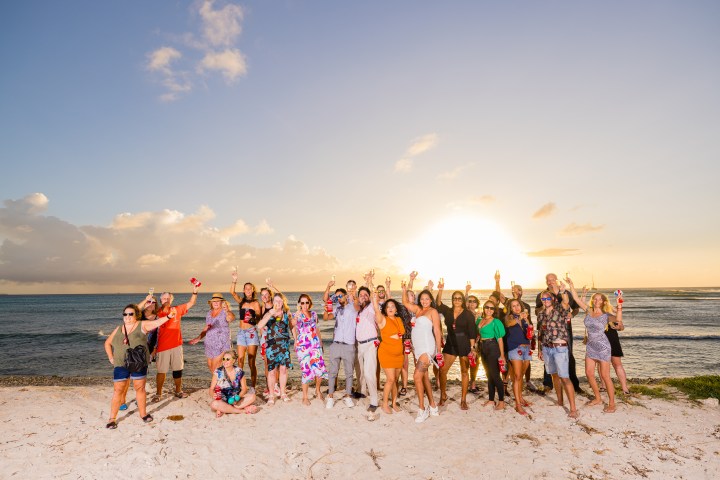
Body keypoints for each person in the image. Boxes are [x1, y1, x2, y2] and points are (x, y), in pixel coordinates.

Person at [104, 304, 177, 429]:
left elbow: (157, 323)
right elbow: (107, 343)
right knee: (118, 390)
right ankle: (112, 418)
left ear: (136, 315)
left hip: (138, 362)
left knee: (140, 388)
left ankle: (143, 414)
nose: (127, 316)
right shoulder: (118, 328)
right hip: (121, 364)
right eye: (125, 314)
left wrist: (169, 316)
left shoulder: (142, 325)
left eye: (131, 314)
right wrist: (111, 357)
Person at [567, 279, 618, 413]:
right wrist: (571, 285)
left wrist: (620, 307)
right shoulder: (588, 311)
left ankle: (612, 403)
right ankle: (598, 398)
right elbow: (577, 299)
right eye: (595, 299)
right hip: (590, 346)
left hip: (603, 346)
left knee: (605, 376)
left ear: (603, 302)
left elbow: (618, 320)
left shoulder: (606, 315)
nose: (596, 301)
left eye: (599, 299)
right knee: (589, 373)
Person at [401, 280, 442, 423]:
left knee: (417, 376)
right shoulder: (418, 311)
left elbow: (437, 330)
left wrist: (438, 351)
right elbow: (405, 302)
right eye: (422, 299)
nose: (424, 301)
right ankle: (433, 405)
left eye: (427, 299)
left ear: (431, 300)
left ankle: (422, 409)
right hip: (417, 348)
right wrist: (405, 288)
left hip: (427, 348)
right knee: (424, 377)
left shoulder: (433, 311)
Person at [151, 284, 199, 402]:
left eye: (168, 298)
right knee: (161, 371)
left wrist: (195, 291)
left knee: (177, 370)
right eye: (164, 298)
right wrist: (152, 347)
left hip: (177, 345)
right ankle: (158, 393)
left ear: (171, 300)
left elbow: (191, 303)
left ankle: (178, 391)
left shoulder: (177, 309)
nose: (166, 300)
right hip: (162, 347)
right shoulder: (157, 312)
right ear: (161, 300)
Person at [536, 273, 582, 394]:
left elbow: (575, 308)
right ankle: (548, 384)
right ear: (546, 282)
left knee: (569, 355)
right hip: (547, 330)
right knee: (547, 355)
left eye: (552, 280)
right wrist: (546, 307)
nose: (550, 282)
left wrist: (572, 314)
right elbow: (537, 311)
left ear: (556, 280)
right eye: (548, 280)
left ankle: (574, 384)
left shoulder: (565, 293)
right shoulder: (541, 295)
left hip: (565, 328)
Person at [537, 287, 579, 418]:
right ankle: (560, 401)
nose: (545, 300)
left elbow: (566, 302)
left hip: (560, 348)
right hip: (547, 347)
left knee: (564, 377)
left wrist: (563, 291)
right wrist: (539, 349)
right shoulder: (541, 314)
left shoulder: (559, 309)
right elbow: (540, 332)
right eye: (543, 299)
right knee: (554, 375)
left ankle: (573, 409)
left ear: (553, 299)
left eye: (547, 298)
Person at [435, 282, 477, 411]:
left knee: (464, 372)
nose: (457, 300)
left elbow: (472, 333)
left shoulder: (468, 314)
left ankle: (463, 400)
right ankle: (443, 395)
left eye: (459, 298)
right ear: (452, 300)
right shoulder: (448, 311)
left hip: (464, 344)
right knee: (442, 370)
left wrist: (472, 349)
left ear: (462, 300)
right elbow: (438, 303)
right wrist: (440, 289)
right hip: (451, 343)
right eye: (455, 298)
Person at [322, 279, 357, 409]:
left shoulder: (353, 307)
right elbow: (326, 318)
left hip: (349, 344)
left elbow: (357, 301)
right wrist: (326, 310)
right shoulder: (336, 308)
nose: (338, 298)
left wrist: (352, 291)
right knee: (332, 372)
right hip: (336, 344)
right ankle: (330, 397)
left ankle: (348, 396)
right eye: (336, 297)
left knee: (349, 373)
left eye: (340, 296)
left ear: (346, 296)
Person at [256, 292, 293, 405]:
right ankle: (271, 395)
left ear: (283, 302)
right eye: (276, 300)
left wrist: (296, 340)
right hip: (272, 346)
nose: (278, 303)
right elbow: (259, 326)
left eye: (280, 301)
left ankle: (282, 393)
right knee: (271, 372)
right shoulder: (269, 313)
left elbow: (292, 328)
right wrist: (270, 313)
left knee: (283, 370)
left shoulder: (286, 314)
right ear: (273, 302)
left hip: (284, 345)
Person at [292, 294, 327, 405]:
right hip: (303, 346)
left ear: (309, 303)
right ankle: (305, 397)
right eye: (302, 303)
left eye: (307, 302)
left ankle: (317, 390)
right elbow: (292, 325)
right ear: (299, 304)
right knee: (306, 370)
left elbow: (316, 329)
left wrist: (320, 343)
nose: (305, 305)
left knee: (319, 368)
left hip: (315, 344)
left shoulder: (313, 314)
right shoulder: (296, 315)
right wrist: (295, 340)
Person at [372, 293, 405, 414]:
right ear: (385, 310)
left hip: (399, 354)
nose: (390, 308)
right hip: (386, 353)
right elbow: (376, 310)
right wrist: (375, 300)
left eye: (393, 306)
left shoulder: (399, 319)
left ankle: (394, 402)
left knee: (395, 379)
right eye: (388, 306)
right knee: (390, 379)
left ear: (396, 309)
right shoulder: (383, 320)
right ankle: (385, 404)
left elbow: (401, 336)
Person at [230, 272, 262, 388]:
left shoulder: (256, 303)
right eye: (246, 288)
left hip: (251, 333)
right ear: (244, 290)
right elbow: (232, 292)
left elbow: (259, 318)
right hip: (241, 333)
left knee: (251, 361)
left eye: (250, 288)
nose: (248, 290)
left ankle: (253, 387)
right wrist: (234, 280)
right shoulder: (241, 301)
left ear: (253, 290)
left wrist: (253, 319)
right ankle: (238, 385)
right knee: (240, 361)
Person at [188, 293, 235, 374]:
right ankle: (222, 383)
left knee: (215, 368)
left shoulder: (225, 312)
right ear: (211, 303)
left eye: (218, 301)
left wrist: (227, 310)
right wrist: (198, 338)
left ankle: (219, 385)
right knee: (211, 367)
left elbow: (231, 318)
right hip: (209, 343)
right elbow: (207, 327)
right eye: (214, 301)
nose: (216, 303)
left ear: (222, 302)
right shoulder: (209, 313)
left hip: (221, 343)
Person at [208, 350, 257, 417]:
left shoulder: (239, 371)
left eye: (228, 359)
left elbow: (244, 389)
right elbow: (211, 388)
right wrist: (213, 394)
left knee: (252, 396)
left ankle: (226, 409)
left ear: (233, 361)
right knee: (214, 404)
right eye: (223, 359)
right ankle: (242, 411)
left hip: (236, 399)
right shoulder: (218, 372)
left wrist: (238, 397)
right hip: (223, 399)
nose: (225, 361)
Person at [354, 285, 380, 412]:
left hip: (370, 344)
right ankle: (362, 392)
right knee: (361, 372)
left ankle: (374, 401)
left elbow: (375, 297)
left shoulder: (371, 307)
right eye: (361, 295)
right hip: (360, 345)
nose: (363, 296)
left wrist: (369, 281)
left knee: (370, 373)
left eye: (366, 294)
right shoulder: (360, 310)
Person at [504, 299, 532, 415]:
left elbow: (529, 332)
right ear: (511, 308)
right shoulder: (509, 318)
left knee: (521, 375)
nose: (516, 308)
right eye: (513, 306)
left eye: (517, 305)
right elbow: (509, 324)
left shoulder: (525, 317)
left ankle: (520, 398)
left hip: (527, 348)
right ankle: (518, 405)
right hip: (515, 349)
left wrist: (527, 322)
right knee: (517, 376)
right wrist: (520, 318)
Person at [477, 300, 507, 410]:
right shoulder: (480, 320)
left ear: (494, 310)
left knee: (495, 376)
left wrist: (502, 355)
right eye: (487, 307)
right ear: (484, 308)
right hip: (483, 348)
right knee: (488, 375)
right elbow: (477, 334)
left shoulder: (496, 322)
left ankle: (502, 402)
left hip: (492, 347)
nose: (489, 310)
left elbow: (500, 339)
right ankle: (491, 400)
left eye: (492, 308)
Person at [466, 294, 482, 394]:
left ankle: (473, 383)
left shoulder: (479, 314)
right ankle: (468, 383)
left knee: (475, 363)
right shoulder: (465, 313)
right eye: (470, 301)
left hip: (477, 341)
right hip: (467, 341)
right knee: (466, 363)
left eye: (474, 301)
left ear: (477, 303)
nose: (472, 303)